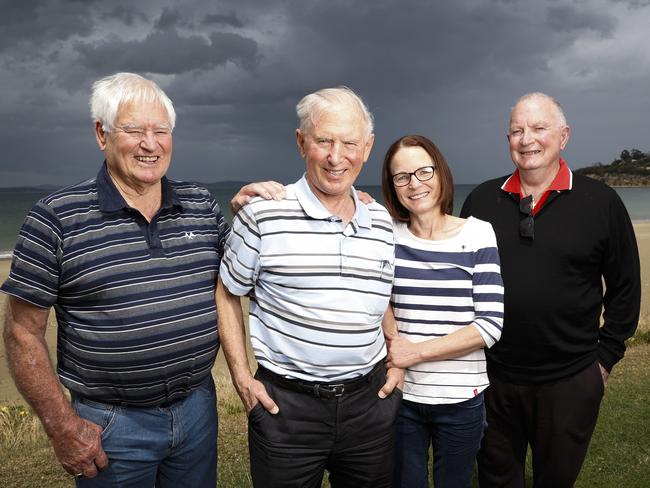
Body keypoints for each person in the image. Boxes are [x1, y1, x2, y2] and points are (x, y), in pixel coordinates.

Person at [2, 72, 231, 487]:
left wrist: (329, 201)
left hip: (198, 409)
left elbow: (252, 269)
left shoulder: (202, 205)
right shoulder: (55, 217)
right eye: (133, 130)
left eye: (161, 131)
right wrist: (62, 427)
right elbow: (22, 332)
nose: (150, 143)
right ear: (101, 134)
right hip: (111, 426)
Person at [216, 86, 403, 488]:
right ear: (302, 143)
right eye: (324, 141)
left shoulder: (382, 221)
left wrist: (397, 356)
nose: (337, 157)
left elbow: (380, 294)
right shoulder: (262, 215)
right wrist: (241, 376)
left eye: (350, 143)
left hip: (369, 405)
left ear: (367, 148)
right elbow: (227, 292)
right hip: (287, 409)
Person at [460, 92, 641, 487]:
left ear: (564, 136)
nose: (527, 140)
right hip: (492, 377)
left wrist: (604, 360)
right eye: (517, 131)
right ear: (507, 138)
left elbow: (626, 288)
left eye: (539, 128)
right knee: (495, 479)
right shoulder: (480, 201)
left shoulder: (601, 202)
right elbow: (454, 272)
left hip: (571, 379)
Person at [378, 135, 503, 488]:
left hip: (462, 400)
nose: (414, 184)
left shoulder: (478, 233)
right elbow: (378, 296)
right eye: (401, 177)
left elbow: (490, 326)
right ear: (393, 186)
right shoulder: (387, 234)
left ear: (440, 173)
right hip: (402, 398)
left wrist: (413, 353)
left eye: (423, 171)